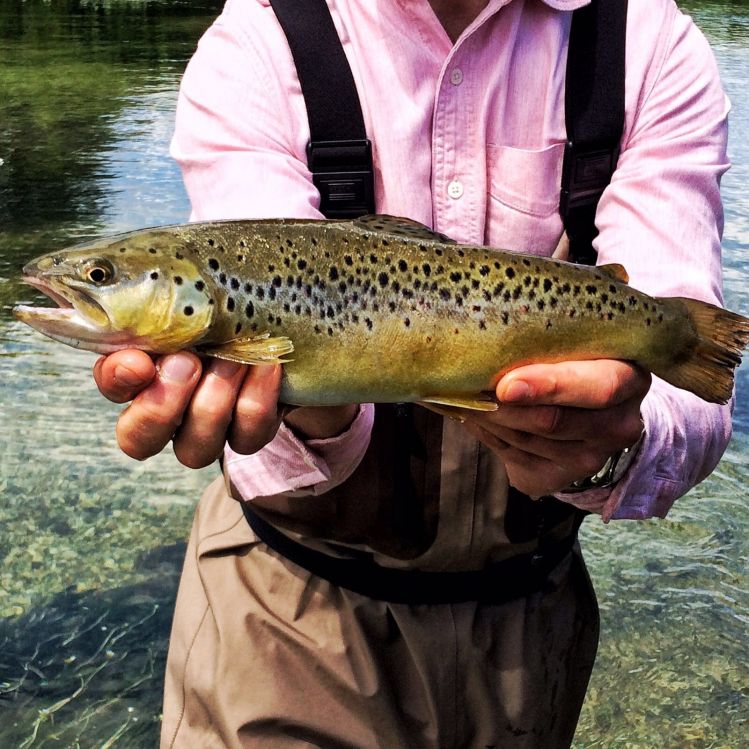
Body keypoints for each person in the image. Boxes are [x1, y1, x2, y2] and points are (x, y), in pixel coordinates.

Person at [93, 0, 732, 746]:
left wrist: (610, 442)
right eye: (105, 276)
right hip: (285, 613)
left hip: (531, 619)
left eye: (101, 276)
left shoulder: (646, 41)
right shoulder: (257, 40)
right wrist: (313, 410)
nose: (91, 288)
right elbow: (259, 274)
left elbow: (695, 409)